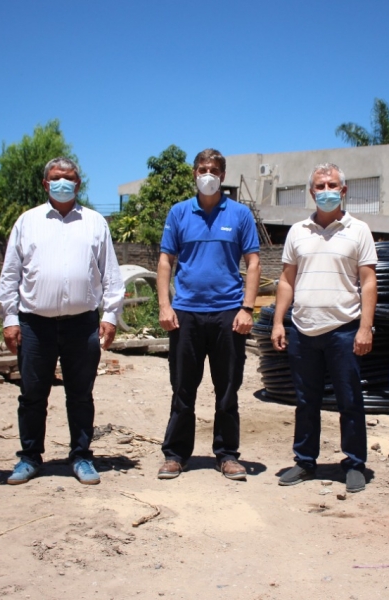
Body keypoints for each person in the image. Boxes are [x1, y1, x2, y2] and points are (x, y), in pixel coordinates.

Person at [0, 156, 124, 486]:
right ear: (45, 183)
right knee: (32, 394)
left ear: (78, 184)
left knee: (80, 394)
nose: (63, 182)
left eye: (69, 177)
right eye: (56, 177)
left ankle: (81, 456)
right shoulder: (27, 222)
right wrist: (9, 317)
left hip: (82, 324)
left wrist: (110, 315)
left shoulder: (96, 222)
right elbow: (10, 273)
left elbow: (110, 273)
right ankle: (29, 458)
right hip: (34, 324)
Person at [271, 163, 378, 493]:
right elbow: (287, 280)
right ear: (311, 191)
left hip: (344, 330)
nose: (326, 190)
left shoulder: (358, 230)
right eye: (320, 185)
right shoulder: (297, 232)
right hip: (303, 330)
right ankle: (305, 461)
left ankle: (355, 463)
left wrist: (365, 328)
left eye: (332, 184)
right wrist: (278, 321)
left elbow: (369, 281)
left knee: (349, 400)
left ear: (343, 191)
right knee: (306, 401)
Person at [157, 148, 261, 481]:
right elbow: (165, 261)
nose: (208, 174)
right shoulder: (178, 213)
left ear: (223, 176)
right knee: (183, 388)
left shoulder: (240, 215)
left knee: (227, 389)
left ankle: (227, 455)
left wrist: (247, 308)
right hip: (186, 313)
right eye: (203, 168)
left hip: (228, 314)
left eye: (214, 169)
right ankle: (175, 455)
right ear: (194, 173)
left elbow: (254, 263)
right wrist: (164, 305)